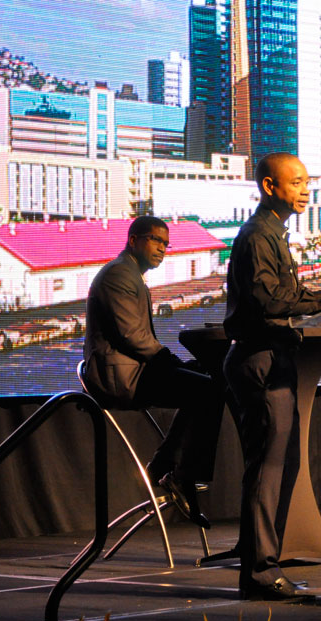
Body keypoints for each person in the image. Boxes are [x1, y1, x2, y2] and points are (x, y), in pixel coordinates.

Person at [223, 152, 321, 600]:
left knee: (283, 466)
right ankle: (260, 575)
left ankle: (267, 567)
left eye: (307, 182)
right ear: (270, 187)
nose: (306, 190)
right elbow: (270, 301)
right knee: (268, 470)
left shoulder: (273, 234)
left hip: (276, 357)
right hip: (261, 359)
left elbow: (284, 294)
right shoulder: (257, 236)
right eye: (297, 182)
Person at [83, 215, 222, 528]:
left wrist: (174, 363)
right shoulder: (119, 275)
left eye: (166, 244)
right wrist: (170, 361)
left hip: (133, 370)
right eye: (156, 240)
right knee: (208, 389)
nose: (162, 248)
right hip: (120, 378)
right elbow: (132, 336)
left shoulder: (130, 274)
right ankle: (179, 475)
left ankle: (167, 465)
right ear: (134, 240)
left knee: (208, 379)